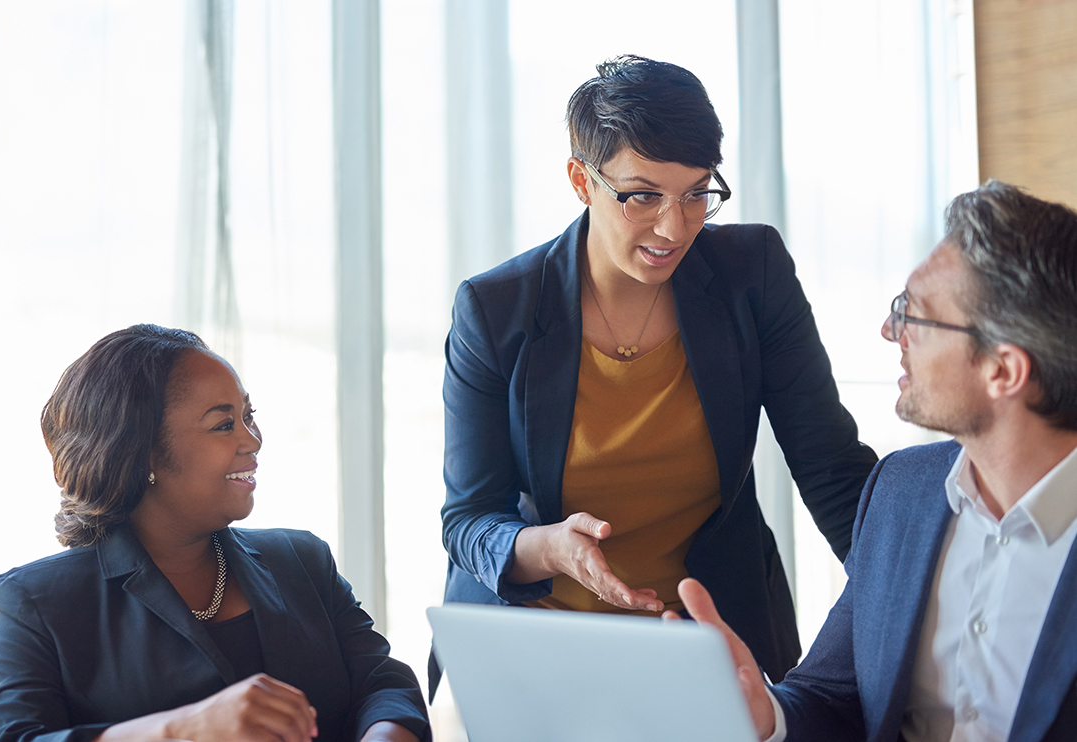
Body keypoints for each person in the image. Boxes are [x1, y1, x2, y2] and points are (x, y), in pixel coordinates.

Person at [438, 54, 878, 690]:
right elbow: (469, 519)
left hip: (708, 639)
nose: (675, 227)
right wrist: (548, 547)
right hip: (540, 641)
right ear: (580, 180)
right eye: (642, 196)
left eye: (698, 193)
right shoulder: (496, 309)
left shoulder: (751, 274)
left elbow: (831, 469)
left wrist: (917, 605)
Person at [678, 181, 1077, 741]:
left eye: (915, 314)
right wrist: (768, 713)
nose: (892, 331)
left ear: (1003, 370)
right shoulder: (901, 492)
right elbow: (831, 695)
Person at [0, 325, 429, 742]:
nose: (253, 440)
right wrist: (185, 729)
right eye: (224, 423)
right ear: (143, 452)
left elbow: (383, 683)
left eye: (250, 415)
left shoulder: (303, 560)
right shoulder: (34, 605)